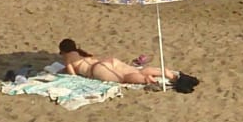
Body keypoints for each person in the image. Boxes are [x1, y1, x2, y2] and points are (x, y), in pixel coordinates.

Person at [58, 39, 200, 92]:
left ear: (63, 51)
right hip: (107, 61)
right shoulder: (82, 54)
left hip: (96, 69)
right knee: (135, 70)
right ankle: (168, 74)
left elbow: (72, 75)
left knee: (124, 78)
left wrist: (66, 68)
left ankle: (147, 80)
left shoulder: (68, 57)